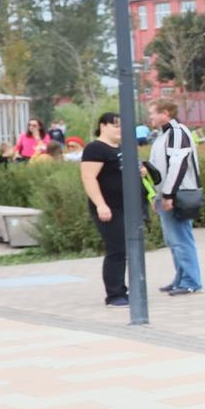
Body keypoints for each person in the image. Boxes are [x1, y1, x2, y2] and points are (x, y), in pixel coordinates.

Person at [148, 99, 205, 296]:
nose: (151, 117)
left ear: (166, 113)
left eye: (153, 113)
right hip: (168, 193)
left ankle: (191, 280)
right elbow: (162, 166)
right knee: (174, 239)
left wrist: (168, 194)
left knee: (181, 238)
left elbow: (178, 164)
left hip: (177, 193)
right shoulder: (164, 135)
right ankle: (181, 278)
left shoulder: (177, 133)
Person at [80, 112, 131, 306]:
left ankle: (124, 289)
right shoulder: (95, 148)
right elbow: (88, 177)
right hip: (108, 207)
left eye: (122, 126)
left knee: (126, 248)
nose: (120, 130)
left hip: (126, 206)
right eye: (116, 126)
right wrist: (101, 204)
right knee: (116, 249)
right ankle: (114, 294)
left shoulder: (122, 148)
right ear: (103, 126)